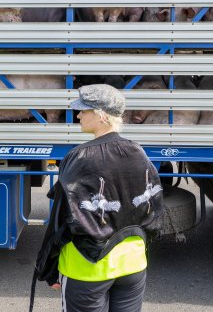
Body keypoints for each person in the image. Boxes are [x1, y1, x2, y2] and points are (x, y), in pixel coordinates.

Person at [32, 84, 164, 312]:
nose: (78, 114)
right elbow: (153, 209)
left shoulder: (78, 157)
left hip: (87, 268)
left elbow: (61, 221)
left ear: (102, 115)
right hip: (132, 266)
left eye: (84, 110)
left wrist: (49, 269)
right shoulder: (139, 152)